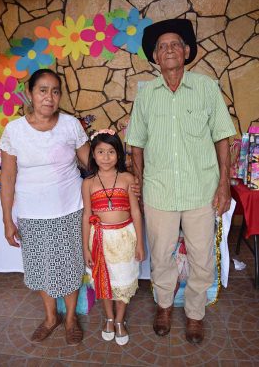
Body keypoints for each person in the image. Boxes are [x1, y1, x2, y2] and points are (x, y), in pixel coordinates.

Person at [126, 19, 236, 344]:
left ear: (187, 52)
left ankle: (195, 314)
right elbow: (136, 143)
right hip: (159, 191)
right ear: (155, 58)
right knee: (161, 255)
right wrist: (139, 181)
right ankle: (163, 306)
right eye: (162, 46)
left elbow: (222, 137)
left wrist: (224, 183)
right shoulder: (145, 96)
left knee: (202, 257)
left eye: (175, 44)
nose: (169, 50)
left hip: (201, 190)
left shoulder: (206, 87)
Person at [0, 68, 90, 345]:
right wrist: (7, 220)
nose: (49, 97)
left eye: (55, 91)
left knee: (71, 267)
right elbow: (8, 177)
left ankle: (71, 318)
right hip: (32, 214)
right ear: (30, 93)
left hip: (70, 209)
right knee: (41, 269)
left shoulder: (71, 125)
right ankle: (51, 317)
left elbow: (91, 165)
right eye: (42, 90)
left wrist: (121, 179)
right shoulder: (14, 131)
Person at [81, 129, 145, 346]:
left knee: (123, 280)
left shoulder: (127, 178)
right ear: (93, 155)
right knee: (103, 280)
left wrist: (140, 244)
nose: (106, 157)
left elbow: (135, 212)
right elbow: (87, 215)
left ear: (119, 154)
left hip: (125, 239)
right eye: (100, 152)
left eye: (111, 152)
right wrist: (86, 248)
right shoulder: (89, 182)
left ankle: (119, 320)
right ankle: (109, 317)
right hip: (99, 240)